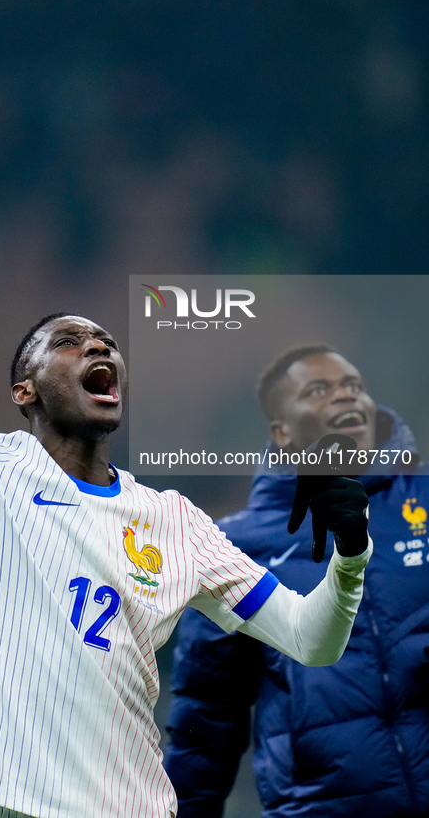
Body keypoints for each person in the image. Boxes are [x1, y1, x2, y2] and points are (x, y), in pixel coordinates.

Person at [0, 61, 372, 818]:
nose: (98, 347)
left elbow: (312, 639)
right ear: (24, 389)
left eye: (106, 339)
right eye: (69, 341)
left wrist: (349, 554)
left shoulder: (174, 520)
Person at [164, 344, 429, 818]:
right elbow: (206, 721)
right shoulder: (234, 545)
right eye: (319, 390)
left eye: (354, 387)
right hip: (320, 807)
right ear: (282, 432)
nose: (346, 398)